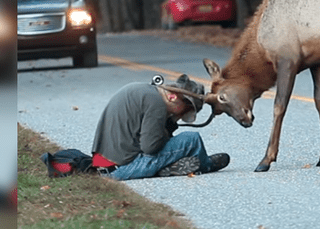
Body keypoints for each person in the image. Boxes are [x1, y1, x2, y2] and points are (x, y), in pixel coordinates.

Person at [91, 74, 230, 180]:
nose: (182, 116)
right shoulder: (156, 103)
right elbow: (150, 148)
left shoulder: (144, 91)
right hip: (123, 168)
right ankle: (205, 165)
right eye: (184, 110)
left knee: (173, 145)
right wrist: (165, 132)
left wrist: (165, 129)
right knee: (191, 139)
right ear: (172, 97)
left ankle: (169, 166)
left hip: (104, 164)